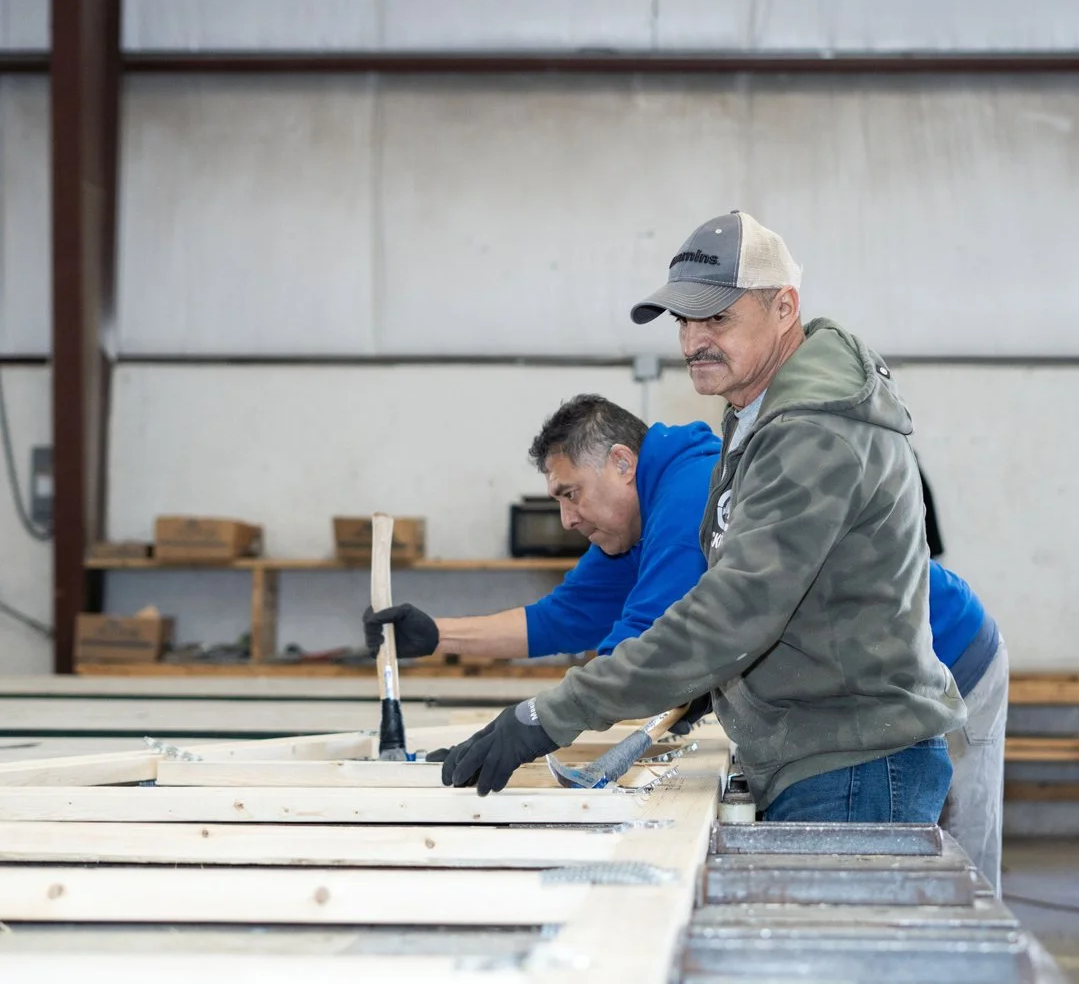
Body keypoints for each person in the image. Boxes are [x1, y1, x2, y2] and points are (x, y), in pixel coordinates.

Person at [404, 210, 966, 827]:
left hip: (856, 757)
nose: (694, 339)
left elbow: (731, 614)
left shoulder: (814, 433)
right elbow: (591, 612)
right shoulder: (755, 415)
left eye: (718, 317)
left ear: (784, 308)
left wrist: (548, 716)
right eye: (685, 319)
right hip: (828, 746)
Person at [366, 394, 1010, 887]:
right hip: (846, 685)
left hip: (946, 657)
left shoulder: (687, 493)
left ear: (623, 463)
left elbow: (642, 645)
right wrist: (438, 635)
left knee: (961, 878)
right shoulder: (633, 519)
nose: (566, 518)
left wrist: (532, 725)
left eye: (571, 494)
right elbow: (565, 616)